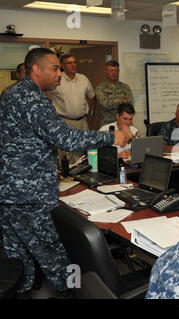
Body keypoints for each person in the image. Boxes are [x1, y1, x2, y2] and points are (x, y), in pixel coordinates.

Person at [0, 48, 131, 298]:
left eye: (60, 68)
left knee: (18, 256)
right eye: (55, 68)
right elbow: (66, 137)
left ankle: (23, 293)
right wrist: (111, 136)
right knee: (55, 257)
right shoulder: (33, 99)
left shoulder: (11, 92)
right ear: (36, 69)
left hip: (9, 192)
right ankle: (72, 294)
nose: (60, 73)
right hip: (30, 195)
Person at [50, 54, 97, 164]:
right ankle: (67, 178)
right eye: (69, 63)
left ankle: (83, 177)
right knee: (67, 154)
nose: (73, 65)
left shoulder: (83, 79)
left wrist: (90, 116)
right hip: (65, 122)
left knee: (85, 153)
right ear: (63, 65)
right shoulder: (57, 79)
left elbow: (92, 97)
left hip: (82, 122)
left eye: (74, 62)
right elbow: (47, 97)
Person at [96, 60, 133, 127]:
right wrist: (122, 100)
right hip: (107, 124)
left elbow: (129, 104)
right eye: (111, 70)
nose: (114, 73)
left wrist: (112, 101)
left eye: (116, 70)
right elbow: (105, 104)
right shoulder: (100, 88)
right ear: (106, 72)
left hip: (124, 124)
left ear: (118, 72)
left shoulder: (125, 87)